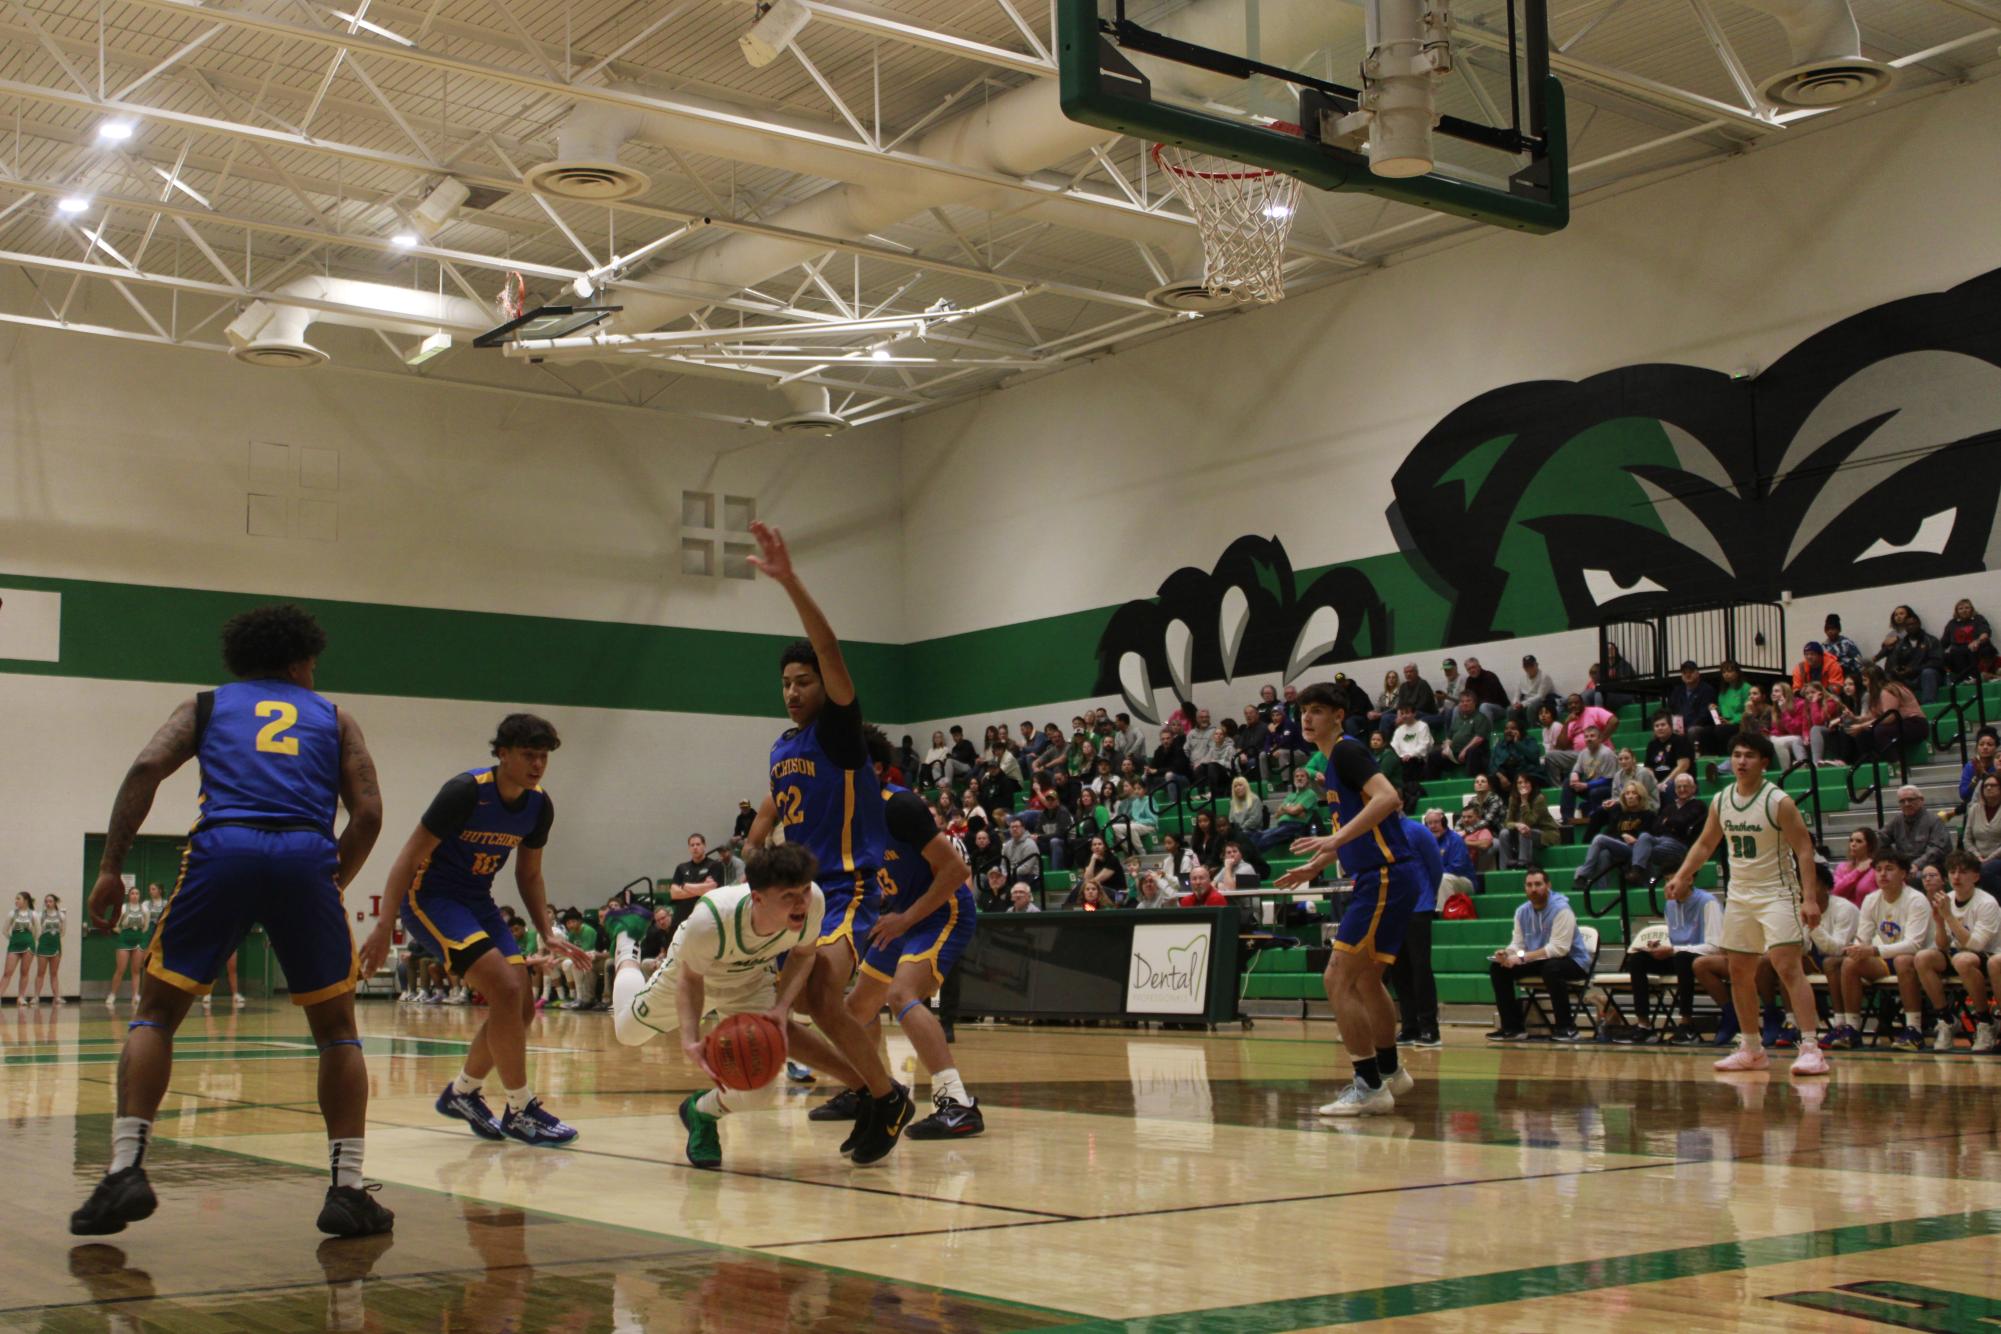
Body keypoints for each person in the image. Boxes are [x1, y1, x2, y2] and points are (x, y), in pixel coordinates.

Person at [71, 604, 389, 1239]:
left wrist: (110, 866)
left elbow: (144, 769)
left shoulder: (206, 706)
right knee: (337, 1031)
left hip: (224, 850)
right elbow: (370, 812)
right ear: (302, 662)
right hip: (305, 853)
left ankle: (126, 1167)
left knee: (156, 1012)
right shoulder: (333, 716)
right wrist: (331, 882)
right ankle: (347, 1190)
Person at [741, 521, 914, 1161]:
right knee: (798, 1007)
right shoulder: (782, 748)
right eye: (786, 683)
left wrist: (790, 582)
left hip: (850, 885)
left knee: (822, 993)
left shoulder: (837, 733)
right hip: (801, 892)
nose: (793, 692)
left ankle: (885, 1096)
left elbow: (829, 646)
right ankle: (878, 1092)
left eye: (804, 681)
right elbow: (774, 822)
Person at [607, 845, 864, 1168]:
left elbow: (803, 955)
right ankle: (627, 943)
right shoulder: (711, 919)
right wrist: (689, 1039)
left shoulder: (813, 902)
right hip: (693, 970)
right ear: (758, 899)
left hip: (749, 982)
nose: (801, 903)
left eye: (803, 892)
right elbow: (690, 980)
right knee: (627, 1034)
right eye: (788, 896)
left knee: (759, 1089)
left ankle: (701, 1113)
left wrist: (781, 1008)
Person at [818, 730, 984, 1139]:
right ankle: (870, 1091)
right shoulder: (853, 817)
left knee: (901, 995)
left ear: (875, 769)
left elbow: (956, 872)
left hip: (942, 912)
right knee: (855, 1009)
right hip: (900, 917)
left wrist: (904, 919)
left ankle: (957, 1103)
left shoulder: (901, 806)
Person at [1273, 682, 1421, 1117]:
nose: (1307, 718)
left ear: (1338, 716)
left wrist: (1333, 836)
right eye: (1303, 711)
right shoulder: (1332, 760)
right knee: (1365, 980)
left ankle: (1368, 1084)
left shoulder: (1347, 752)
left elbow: (1389, 798)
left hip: (1385, 876)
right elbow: (1360, 825)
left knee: (1336, 978)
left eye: (1317, 710)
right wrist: (1319, 862)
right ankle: (1390, 1072)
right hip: (1385, 875)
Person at [1665, 732, 1830, 1075]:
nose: (1741, 761)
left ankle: (1812, 1047)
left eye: (1749, 756)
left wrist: (1810, 897)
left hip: (1777, 892)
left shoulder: (1778, 801)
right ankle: (1752, 1048)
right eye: (1737, 755)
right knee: (1739, 971)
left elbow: (1803, 849)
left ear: (1764, 763)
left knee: (1787, 967)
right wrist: (1682, 874)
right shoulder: (1722, 800)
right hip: (1740, 894)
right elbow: (1705, 843)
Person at [1825, 851, 1933, 1050]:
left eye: (1889, 869)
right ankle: (1851, 1029)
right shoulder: (1871, 899)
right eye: (1879, 869)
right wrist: (1857, 948)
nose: (1883, 874)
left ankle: (1914, 1029)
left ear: (1903, 874)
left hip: (1922, 960)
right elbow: (1863, 938)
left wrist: (1873, 950)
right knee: (1850, 962)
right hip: (1885, 957)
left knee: (1903, 960)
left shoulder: (1916, 900)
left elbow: (1914, 945)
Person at [1485, 868, 1592, 1041]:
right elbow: (1518, 944)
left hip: (1573, 962)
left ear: (1548, 885)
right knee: (1498, 968)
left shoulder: (1562, 909)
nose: (1533, 889)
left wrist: (1521, 958)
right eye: (1529, 885)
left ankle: (1566, 1027)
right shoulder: (1522, 911)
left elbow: (1559, 949)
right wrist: (1507, 953)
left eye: (1538, 884)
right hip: (1540, 962)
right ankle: (1512, 1028)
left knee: (1552, 968)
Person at [1911, 851, 1999, 1051]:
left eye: (1963, 872)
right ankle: (1946, 1019)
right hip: (1960, 954)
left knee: (1963, 960)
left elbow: (1976, 945)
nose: (1956, 877)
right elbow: (1942, 945)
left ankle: (1985, 1022)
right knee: (1923, 958)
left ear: (1976, 876)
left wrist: (1949, 916)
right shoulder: (1947, 898)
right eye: (1952, 872)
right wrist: (1939, 922)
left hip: (1990, 955)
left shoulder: (1986, 903)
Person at [1621, 874, 1721, 1042]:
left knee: (1682, 957)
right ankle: (1644, 1025)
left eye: (1673, 880)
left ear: (1689, 879)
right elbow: (1676, 940)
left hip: (1705, 961)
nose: (1669, 885)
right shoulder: (1670, 905)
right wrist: (1658, 947)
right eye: (1666, 881)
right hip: (1679, 956)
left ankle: (1686, 1024)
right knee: (1638, 959)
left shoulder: (1708, 902)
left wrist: (1674, 950)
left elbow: (1715, 947)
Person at [1389, 814, 1444, 1048]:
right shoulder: (1379, 831)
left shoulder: (1417, 830)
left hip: (1419, 907)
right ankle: (1409, 1026)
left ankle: (1430, 1028)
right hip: (1393, 909)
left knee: (1421, 968)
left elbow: (1436, 868)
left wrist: (1426, 895)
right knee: (1399, 970)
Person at [1574, 783, 1654, 894]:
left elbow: (1650, 838)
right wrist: (1622, 836)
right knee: (1604, 854)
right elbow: (1611, 833)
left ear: (1640, 796)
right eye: (1627, 793)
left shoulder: (1648, 815)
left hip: (1635, 850)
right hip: (1619, 848)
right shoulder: (1620, 814)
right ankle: (1603, 893)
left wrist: (1636, 840)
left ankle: (1582, 874)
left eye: (1634, 793)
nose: (1630, 796)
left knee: (1599, 838)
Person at [1637, 772, 1706, 886]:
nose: (1682, 789)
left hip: (1680, 844)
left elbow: (1682, 823)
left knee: (1643, 850)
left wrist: (1668, 822)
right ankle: (1641, 875)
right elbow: (1656, 827)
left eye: (1685, 786)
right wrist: (1672, 824)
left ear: (1693, 788)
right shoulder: (1669, 807)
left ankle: (1647, 882)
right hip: (1661, 840)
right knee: (1644, 838)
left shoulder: (1698, 805)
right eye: (1679, 787)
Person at [1879, 785, 1951, 877]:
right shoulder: (1897, 820)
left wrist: (1916, 865)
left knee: (1916, 876)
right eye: (1902, 801)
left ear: (1921, 800)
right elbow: (1882, 837)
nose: (1906, 804)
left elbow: (1936, 850)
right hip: (1904, 865)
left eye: (1910, 800)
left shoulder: (1934, 820)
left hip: (1929, 866)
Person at [1497, 773, 1560, 870]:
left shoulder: (1539, 798)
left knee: (1524, 832)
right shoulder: (1513, 798)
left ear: (1531, 784)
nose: (1523, 785)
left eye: (1526, 782)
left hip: (1545, 833)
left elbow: (1530, 821)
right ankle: (1504, 869)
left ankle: (1523, 866)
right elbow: (1507, 822)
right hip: (1522, 830)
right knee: (1504, 833)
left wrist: (1524, 801)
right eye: (1520, 783)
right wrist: (1517, 824)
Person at [1428, 691, 1491, 780]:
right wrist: (1446, 748)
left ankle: (1470, 783)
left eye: (1468, 701)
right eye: (1462, 701)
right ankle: (1432, 788)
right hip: (1455, 754)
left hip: (1475, 755)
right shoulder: (1457, 719)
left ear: (1474, 703)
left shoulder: (1480, 718)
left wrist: (1465, 750)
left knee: (1472, 752)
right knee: (1433, 756)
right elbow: (1449, 738)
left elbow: (1479, 738)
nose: (1465, 703)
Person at [1665, 661, 1724, 757]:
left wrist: (1686, 727)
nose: (1688, 675)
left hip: (1701, 725)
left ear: (1698, 673)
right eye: (1684, 673)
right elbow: (1671, 710)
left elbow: (1705, 715)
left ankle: (1691, 756)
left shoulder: (1707, 690)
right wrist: (1676, 726)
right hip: (1680, 725)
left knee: (1692, 731)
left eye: (1691, 672)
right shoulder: (1677, 691)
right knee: (1663, 730)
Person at [666, 834, 723, 932]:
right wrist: (701, 888)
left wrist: (684, 886)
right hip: (681, 918)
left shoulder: (715, 865)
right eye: (692, 845)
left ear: (704, 846)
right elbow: (674, 894)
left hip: (705, 917)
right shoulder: (681, 868)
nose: (695, 847)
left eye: (698, 844)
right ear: (689, 848)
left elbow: (710, 890)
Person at [1255, 769, 1320, 851]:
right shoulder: (1290, 795)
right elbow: (1277, 814)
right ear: (1293, 780)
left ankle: (1251, 857)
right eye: (1297, 776)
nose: (1299, 778)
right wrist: (1291, 810)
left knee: (1265, 838)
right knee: (1258, 835)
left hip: (1296, 827)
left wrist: (1285, 808)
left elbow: (1294, 811)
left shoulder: (1310, 793)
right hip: (1282, 826)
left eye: (1302, 776)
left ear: (1307, 779)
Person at [106, 887, 150, 1007]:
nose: (135, 895)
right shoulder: (123, 908)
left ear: (139, 895)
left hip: (138, 940)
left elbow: (146, 926)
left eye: (137, 893)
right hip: (124, 940)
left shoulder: (145, 909)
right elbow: (114, 925)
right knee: (120, 969)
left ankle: (135, 995)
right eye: (132, 893)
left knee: (136, 970)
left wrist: (139, 935)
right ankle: (112, 995)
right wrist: (123, 933)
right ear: (129, 895)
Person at [1941, 597, 1996, 682]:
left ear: (1972, 609)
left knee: (1978, 648)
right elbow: (1944, 642)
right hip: (1957, 652)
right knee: (1949, 655)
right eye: (1961, 608)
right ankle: (1962, 679)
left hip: (1976, 648)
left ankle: (1977, 677)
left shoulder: (1978, 619)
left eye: (1967, 608)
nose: (1964, 610)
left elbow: (1985, 634)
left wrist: (1977, 641)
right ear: (1957, 611)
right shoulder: (1952, 624)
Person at [31, 893, 65, 1006]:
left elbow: (63, 932)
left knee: (54, 973)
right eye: (46, 901)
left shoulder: (61, 915)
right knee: (40, 973)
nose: (48, 903)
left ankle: (57, 997)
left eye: (50, 901)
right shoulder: (40, 915)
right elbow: (35, 930)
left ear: (55, 902)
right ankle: (36, 997)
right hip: (43, 946)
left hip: (55, 946)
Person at [4, 892, 37, 1005]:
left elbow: (38, 932)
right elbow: (4, 930)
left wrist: (30, 941)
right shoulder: (12, 914)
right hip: (14, 946)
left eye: (18, 899)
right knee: (7, 973)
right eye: (16, 899)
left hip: (28, 946)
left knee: (24, 972)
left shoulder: (33, 914)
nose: (16, 901)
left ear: (26, 900)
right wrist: (12, 939)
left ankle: (21, 997)